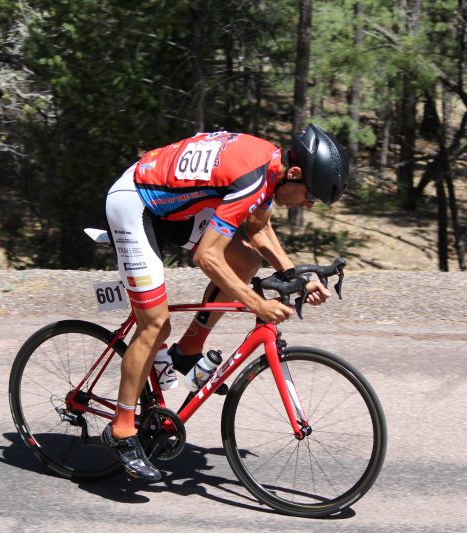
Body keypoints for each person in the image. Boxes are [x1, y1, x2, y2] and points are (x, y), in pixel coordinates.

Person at [101, 124, 350, 481]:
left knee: (247, 262)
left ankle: (188, 351)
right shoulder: (253, 175)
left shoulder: (269, 166)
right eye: (310, 195)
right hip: (135, 202)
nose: (308, 205)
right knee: (155, 324)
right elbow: (207, 257)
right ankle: (121, 430)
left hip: (171, 206)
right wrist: (257, 305)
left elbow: (258, 228)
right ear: (294, 174)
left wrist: (298, 277)